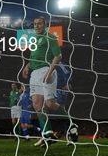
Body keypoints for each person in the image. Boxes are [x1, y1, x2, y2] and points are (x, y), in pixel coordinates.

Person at [22, 17, 71, 147]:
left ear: (45, 25)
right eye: (35, 24)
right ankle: (48, 134)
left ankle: (71, 124)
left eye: (39, 24)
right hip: (35, 72)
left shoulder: (50, 37)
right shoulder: (33, 39)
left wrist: (49, 72)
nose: (37, 26)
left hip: (46, 70)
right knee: (37, 105)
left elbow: (58, 56)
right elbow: (35, 56)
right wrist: (27, 65)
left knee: (50, 104)